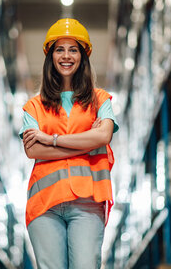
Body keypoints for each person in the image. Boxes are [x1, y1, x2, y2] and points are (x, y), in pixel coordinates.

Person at [20, 18, 119, 269]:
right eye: (59, 49)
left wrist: (51, 139)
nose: (66, 56)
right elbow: (33, 150)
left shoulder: (100, 99)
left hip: (88, 202)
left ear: (83, 56)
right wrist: (87, 141)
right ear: (50, 56)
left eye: (73, 49)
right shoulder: (34, 106)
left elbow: (103, 136)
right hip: (45, 205)